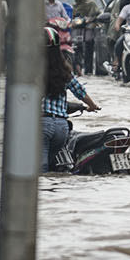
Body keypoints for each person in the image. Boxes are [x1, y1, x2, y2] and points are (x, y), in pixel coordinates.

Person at [41, 28, 99, 172]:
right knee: (53, 167)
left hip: (42, 125)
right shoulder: (64, 70)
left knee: (41, 170)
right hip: (62, 127)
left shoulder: (33, 69)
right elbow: (79, 90)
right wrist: (92, 105)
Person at [68, 0, 100, 75]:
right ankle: (76, 67)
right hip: (77, 32)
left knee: (89, 48)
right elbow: (69, 17)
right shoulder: (73, 6)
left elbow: (97, 14)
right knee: (76, 48)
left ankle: (88, 70)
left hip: (89, 30)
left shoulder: (90, 4)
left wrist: (90, 19)